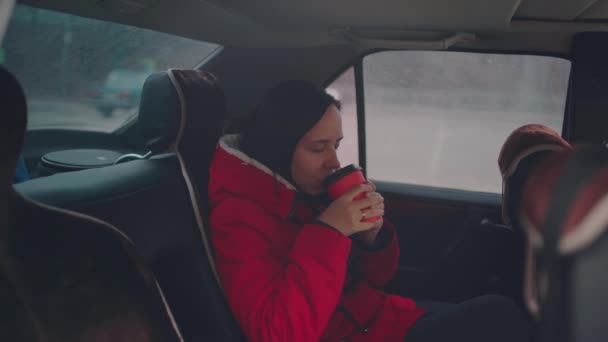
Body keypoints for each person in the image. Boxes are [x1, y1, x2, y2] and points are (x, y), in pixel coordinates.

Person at [208, 80, 529, 342]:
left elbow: (377, 279)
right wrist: (329, 232)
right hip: (355, 332)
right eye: (318, 148)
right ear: (279, 146)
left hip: (380, 317)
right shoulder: (237, 217)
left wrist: (370, 240)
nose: (334, 162)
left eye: (336, 145)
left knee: (500, 309)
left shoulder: (303, 191)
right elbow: (279, 334)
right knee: (498, 318)